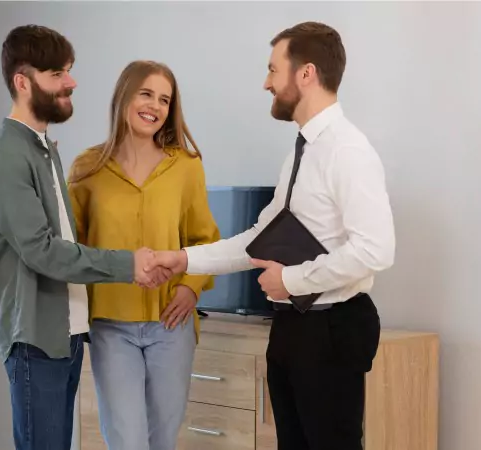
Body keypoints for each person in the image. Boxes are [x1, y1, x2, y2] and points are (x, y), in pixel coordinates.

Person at [150, 22, 395, 450]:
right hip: (292, 331)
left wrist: (292, 281)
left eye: (272, 70)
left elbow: (376, 249)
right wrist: (185, 260)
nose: (266, 83)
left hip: (331, 330)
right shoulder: (300, 153)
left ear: (306, 74)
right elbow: (259, 238)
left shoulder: (347, 150)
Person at [0, 26, 170, 450]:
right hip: (35, 339)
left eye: (69, 71)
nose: (71, 82)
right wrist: (128, 264)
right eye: (57, 73)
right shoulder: (5, 152)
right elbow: (40, 251)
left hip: (66, 335)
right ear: (22, 82)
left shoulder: (42, 148)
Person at [67, 60, 220, 450]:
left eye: (165, 99)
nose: (155, 105)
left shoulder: (186, 168)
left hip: (171, 324)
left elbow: (205, 239)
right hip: (111, 325)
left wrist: (190, 289)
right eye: (146, 94)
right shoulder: (88, 169)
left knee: (162, 440)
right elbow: (72, 250)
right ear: (125, 96)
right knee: (127, 441)